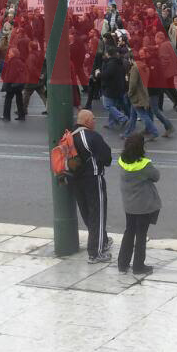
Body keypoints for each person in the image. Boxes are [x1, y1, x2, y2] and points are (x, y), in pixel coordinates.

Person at [70, 108, 113, 263]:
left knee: (87, 214)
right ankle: (96, 252)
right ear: (87, 121)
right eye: (94, 119)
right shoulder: (92, 137)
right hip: (93, 180)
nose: (95, 121)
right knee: (98, 215)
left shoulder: (70, 136)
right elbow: (107, 158)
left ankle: (103, 240)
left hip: (76, 180)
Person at [117, 132, 160, 275]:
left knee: (129, 231)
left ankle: (123, 264)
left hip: (129, 205)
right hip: (144, 206)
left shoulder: (122, 160)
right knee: (141, 235)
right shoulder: (145, 164)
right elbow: (156, 176)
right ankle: (138, 266)